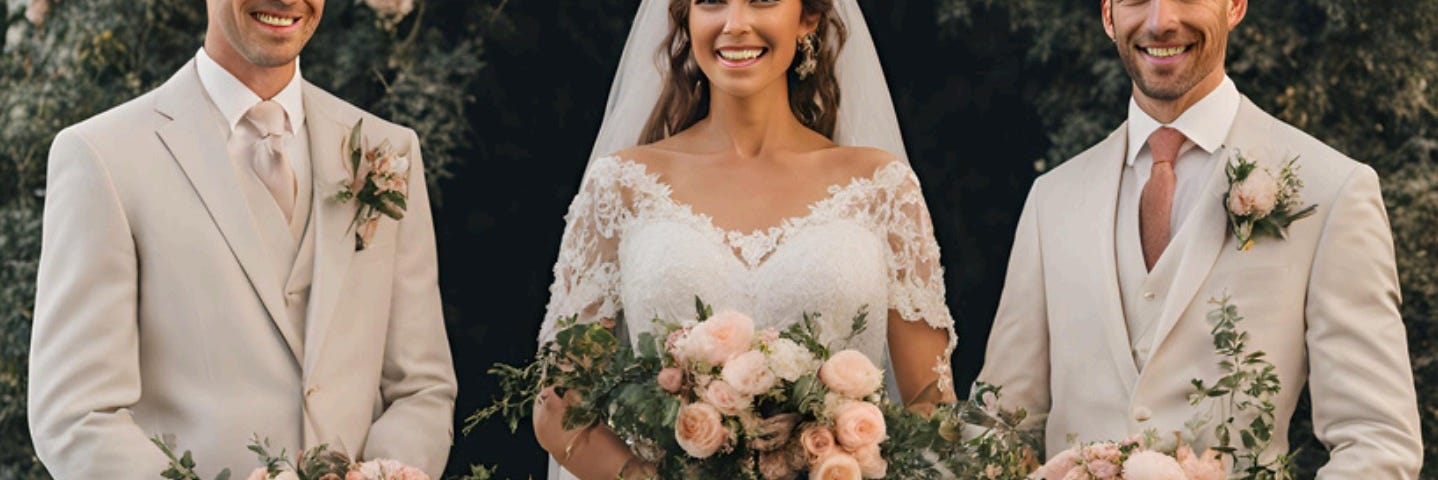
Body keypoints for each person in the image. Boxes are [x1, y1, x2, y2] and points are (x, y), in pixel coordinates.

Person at [979, 0, 1422, 476]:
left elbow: (1378, 440)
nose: (1161, 20)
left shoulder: (1332, 190)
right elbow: (997, 424)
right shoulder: (1053, 199)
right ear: (1108, 15)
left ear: (1234, 5)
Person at [27, 0, 457, 477]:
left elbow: (421, 389)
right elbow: (74, 414)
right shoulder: (104, 155)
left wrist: (382, 474)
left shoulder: (387, 151)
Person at [531, 0, 957, 478]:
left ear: (808, 17)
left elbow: (931, 405)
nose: (735, 23)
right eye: (711, 1)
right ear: (685, 17)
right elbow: (558, 404)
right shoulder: (622, 185)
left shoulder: (882, 187)